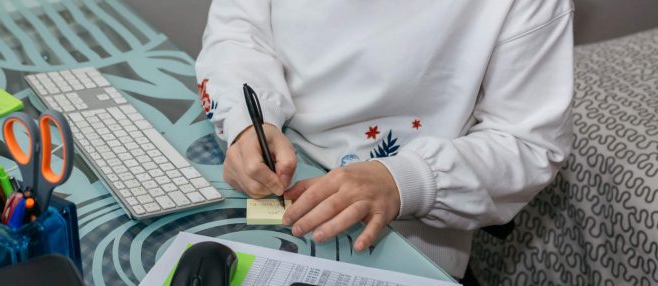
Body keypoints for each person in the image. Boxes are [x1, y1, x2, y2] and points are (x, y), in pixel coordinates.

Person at [196, 0, 574, 278]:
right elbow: (238, 33)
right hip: (271, 196)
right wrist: (249, 123)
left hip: (408, 239)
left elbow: (529, 143)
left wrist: (404, 181)